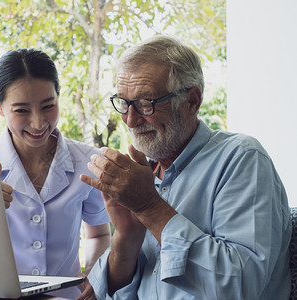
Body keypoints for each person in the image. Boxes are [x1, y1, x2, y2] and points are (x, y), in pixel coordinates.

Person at [79, 35, 291, 299]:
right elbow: (105, 293)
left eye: (146, 104)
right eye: (124, 103)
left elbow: (240, 287)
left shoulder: (241, 158)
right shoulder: (143, 173)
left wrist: (149, 207)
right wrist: (126, 235)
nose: (130, 120)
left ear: (192, 101)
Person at [0, 48, 111, 299]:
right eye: (21, 110)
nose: (38, 123)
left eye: (48, 106)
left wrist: (94, 271)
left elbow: (99, 233)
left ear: (59, 97)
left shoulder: (89, 162)